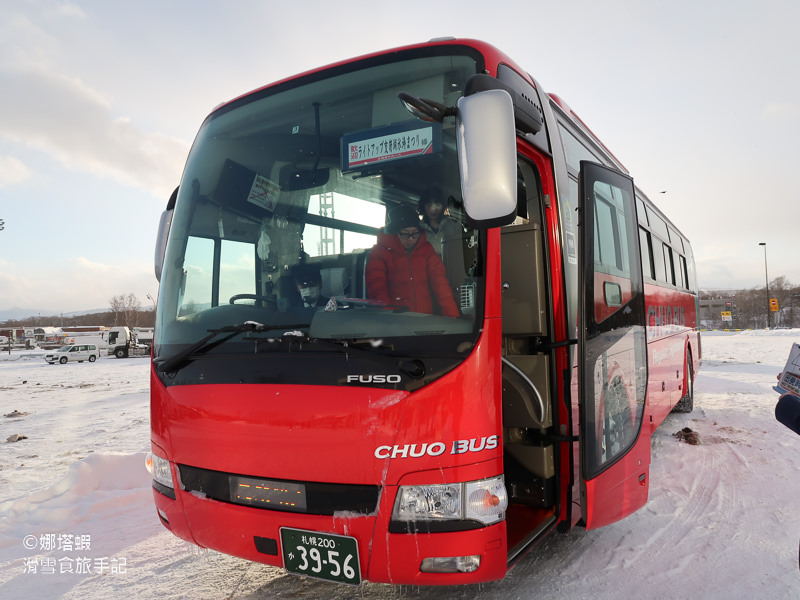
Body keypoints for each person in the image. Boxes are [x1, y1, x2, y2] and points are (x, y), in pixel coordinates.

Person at [365, 204, 459, 318]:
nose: (411, 239)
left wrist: (452, 316)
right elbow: (377, 290)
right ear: (393, 233)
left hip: (425, 319)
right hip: (397, 322)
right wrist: (388, 320)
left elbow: (440, 283)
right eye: (405, 234)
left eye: (415, 233)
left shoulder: (427, 250)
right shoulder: (379, 253)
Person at [417, 185, 463, 258]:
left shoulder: (455, 226)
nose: (433, 209)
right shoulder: (418, 230)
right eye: (429, 205)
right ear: (423, 206)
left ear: (443, 205)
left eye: (437, 204)